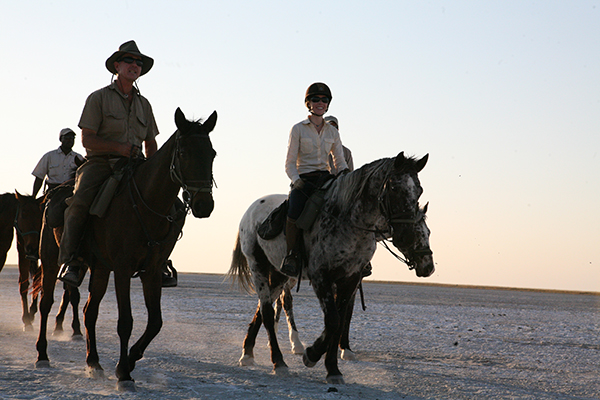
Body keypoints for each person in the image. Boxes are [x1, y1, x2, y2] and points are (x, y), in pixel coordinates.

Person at [57, 40, 171, 287]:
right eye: (129, 60)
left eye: (139, 62)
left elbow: (151, 145)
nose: (135, 65)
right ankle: (72, 261)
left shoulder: (145, 104)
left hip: (137, 166)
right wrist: (119, 148)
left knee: (170, 206)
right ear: (117, 65)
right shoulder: (98, 98)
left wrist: (155, 173)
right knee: (79, 202)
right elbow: (87, 139)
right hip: (101, 164)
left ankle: (160, 262)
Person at [281, 83, 349, 277]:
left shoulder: (333, 132)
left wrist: (345, 177)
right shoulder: (298, 129)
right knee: (293, 210)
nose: (320, 103)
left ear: (328, 104)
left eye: (324, 100)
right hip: (304, 180)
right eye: (316, 99)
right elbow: (289, 163)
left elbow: (340, 162)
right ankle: (292, 255)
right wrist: (296, 180)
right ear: (308, 103)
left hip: (326, 179)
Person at [324, 115, 372, 278]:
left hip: (341, 191)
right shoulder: (316, 148)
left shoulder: (346, 152)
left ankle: (363, 258)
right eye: (329, 126)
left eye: (334, 127)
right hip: (321, 188)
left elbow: (350, 175)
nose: (332, 130)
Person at [31, 128, 84, 197]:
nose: (69, 140)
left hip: (72, 193)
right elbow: (39, 177)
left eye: (72, 138)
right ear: (61, 139)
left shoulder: (79, 158)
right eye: (67, 138)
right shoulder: (49, 156)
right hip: (53, 192)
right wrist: (34, 196)